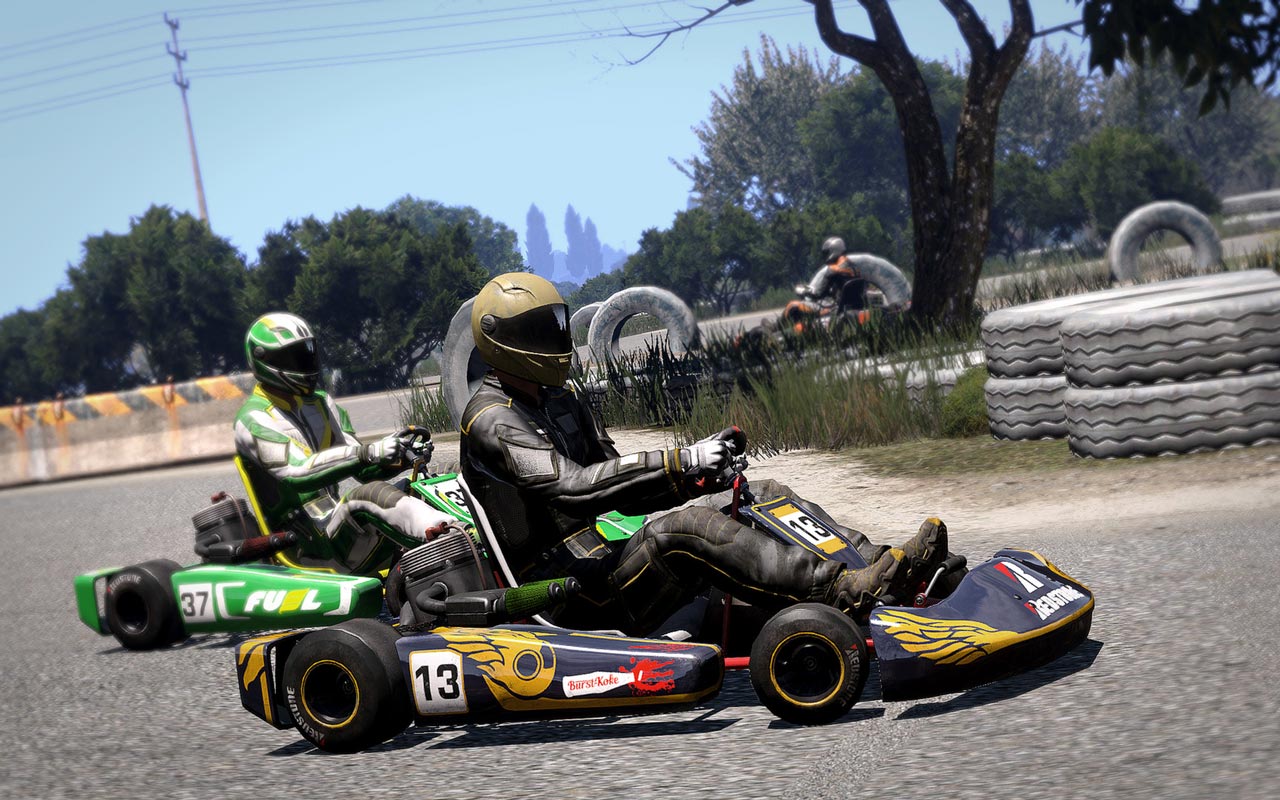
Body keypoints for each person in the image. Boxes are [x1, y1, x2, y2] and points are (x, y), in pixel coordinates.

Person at [458, 273, 951, 636]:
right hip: (565, 594)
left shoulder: (560, 400)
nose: (554, 339)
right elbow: (574, 489)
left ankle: (884, 568)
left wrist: (696, 477)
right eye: (539, 331)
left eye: (555, 326)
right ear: (502, 339)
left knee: (762, 494)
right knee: (686, 529)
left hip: (602, 559)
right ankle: (841, 592)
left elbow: (621, 494)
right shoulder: (491, 420)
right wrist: (683, 460)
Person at [233, 312, 456, 575]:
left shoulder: (321, 403)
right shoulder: (252, 419)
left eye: (305, 353)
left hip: (333, 522)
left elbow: (363, 470)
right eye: (292, 357)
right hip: (304, 545)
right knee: (368, 497)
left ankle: (479, 545)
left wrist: (399, 457)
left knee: (435, 481)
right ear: (265, 360)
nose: (303, 362)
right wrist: (368, 452)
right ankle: (454, 536)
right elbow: (297, 472)